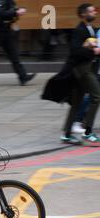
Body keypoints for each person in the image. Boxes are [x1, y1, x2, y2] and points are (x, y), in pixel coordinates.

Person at [61, 3, 100, 144]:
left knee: (76, 103)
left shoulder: (91, 29)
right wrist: (93, 51)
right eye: (91, 11)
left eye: (94, 11)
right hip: (83, 70)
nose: (94, 13)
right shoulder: (80, 30)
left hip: (86, 69)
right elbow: (75, 51)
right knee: (97, 96)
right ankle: (88, 133)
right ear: (83, 14)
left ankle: (66, 135)